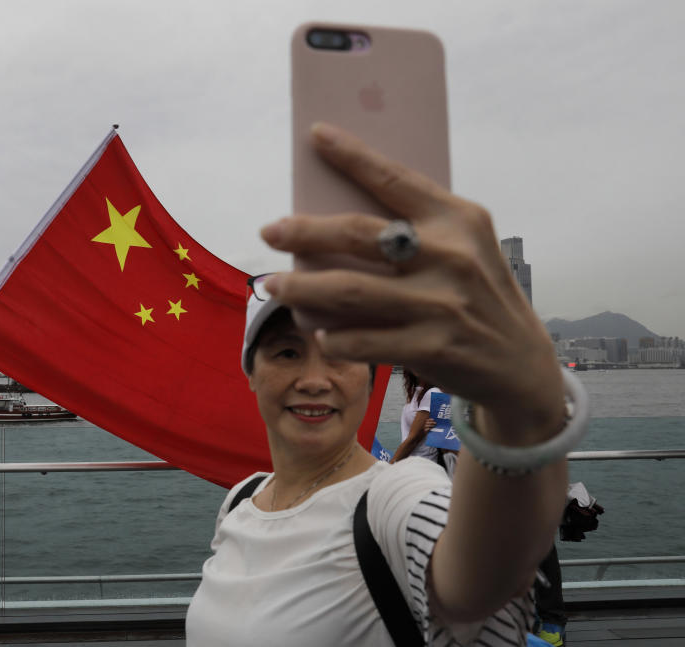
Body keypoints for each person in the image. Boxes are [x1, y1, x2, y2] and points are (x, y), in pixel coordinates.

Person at [185, 122, 585, 646]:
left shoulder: (396, 495)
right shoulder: (241, 499)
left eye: (342, 353)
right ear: (251, 374)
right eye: (286, 352)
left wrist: (515, 401)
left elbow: (478, 588)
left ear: (370, 377)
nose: (313, 379)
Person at [392, 369, 442, 464]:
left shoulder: (432, 392)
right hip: (410, 461)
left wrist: (390, 466)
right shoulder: (416, 392)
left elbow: (413, 439)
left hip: (421, 463)